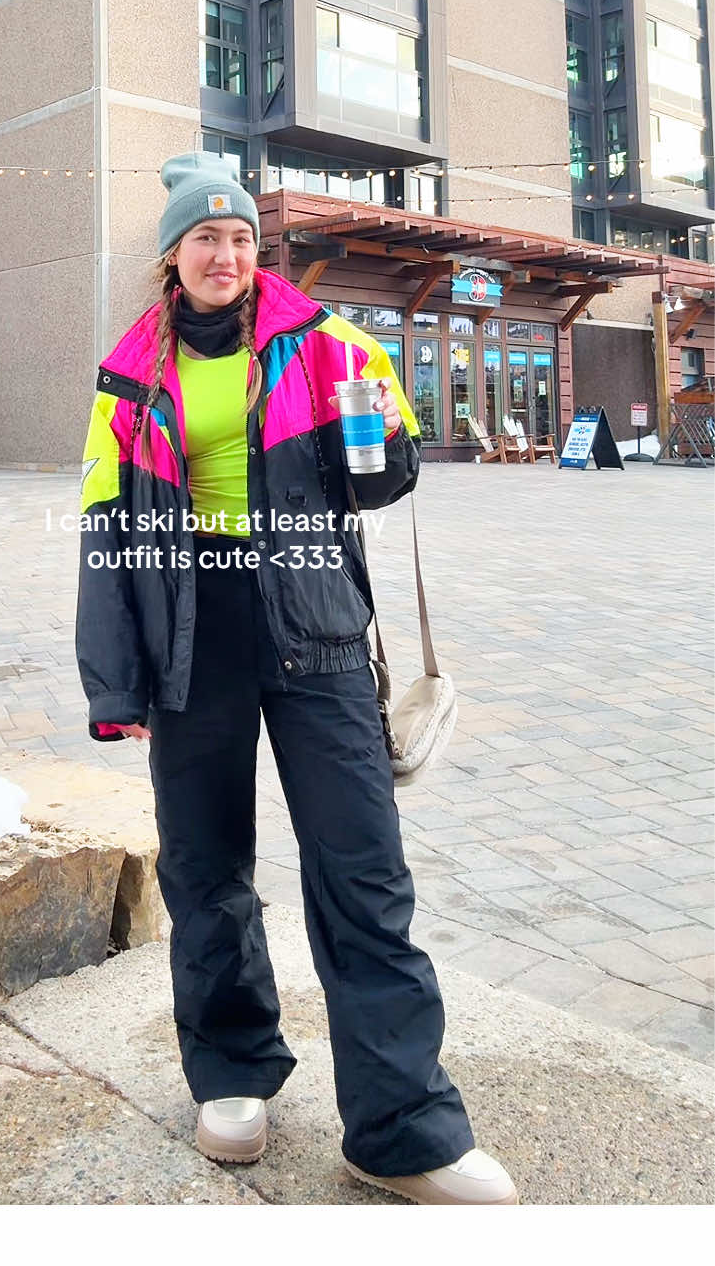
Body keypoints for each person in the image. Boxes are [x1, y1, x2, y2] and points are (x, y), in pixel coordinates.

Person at [75, 152, 518, 1206]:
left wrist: (376, 428)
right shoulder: (127, 375)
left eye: (237, 238)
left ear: (254, 251)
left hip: (313, 626)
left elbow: (384, 480)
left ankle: (400, 1128)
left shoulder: (326, 343)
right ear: (171, 257)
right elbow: (104, 531)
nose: (223, 254)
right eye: (202, 238)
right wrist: (113, 685)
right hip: (191, 640)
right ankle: (231, 1073)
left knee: (361, 871)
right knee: (204, 866)